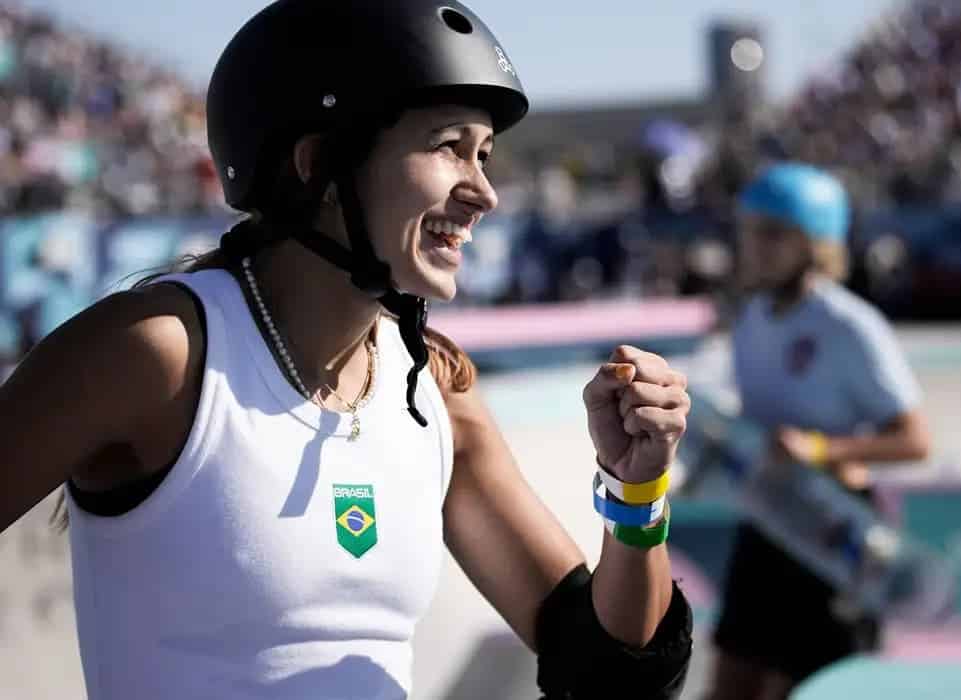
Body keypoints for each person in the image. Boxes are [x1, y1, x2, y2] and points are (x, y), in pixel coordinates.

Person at [0, 1, 694, 698]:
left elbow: (609, 674)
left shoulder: (434, 390)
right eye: (448, 146)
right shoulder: (159, 352)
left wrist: (636, 488)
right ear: (319, 167)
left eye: (484, 156)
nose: (484, 192)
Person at [703, 163, 931, 700]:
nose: (754, 247)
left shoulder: (849, 324)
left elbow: (915, 439)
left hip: (832, 531)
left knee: (813, 687)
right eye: (749, 231)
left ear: (814, 245)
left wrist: (820, 449)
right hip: (767, 519)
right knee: (730, 685)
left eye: (773, 234)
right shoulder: (751, 319)